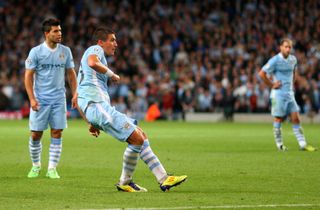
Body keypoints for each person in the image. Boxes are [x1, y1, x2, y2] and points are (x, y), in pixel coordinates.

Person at [77, 27, 187, 192]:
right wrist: (111, 74)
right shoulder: (95, 49)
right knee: (136, 139)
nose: (116, 43)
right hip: (98, 107)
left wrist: (91, 122)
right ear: (101, 42)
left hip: (97, 109)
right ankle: (130, 182)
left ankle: (163, 179)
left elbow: (78, 98)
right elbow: (93, 62)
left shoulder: (85, 73)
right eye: (112, 40)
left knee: (141, 135)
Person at [24, 18, 78, 178]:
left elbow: (71, 74)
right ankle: (36, 165)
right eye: (55, 31)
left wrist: (75, 93)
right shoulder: (36, 52)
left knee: (57, 132)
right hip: (40, 99)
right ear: (47, 33)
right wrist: (32, 99)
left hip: (58, 99)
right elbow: (28, 77)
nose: (59, 34)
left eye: (60, 31)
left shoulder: (65, 51)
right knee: (35, 134)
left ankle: (52, 168)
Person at [258, 38, 316, 151]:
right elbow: (261, 73)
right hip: (278, 94)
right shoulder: (275, 60)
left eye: (290, 47)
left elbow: (294, 72)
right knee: (278, 119)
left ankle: (303, 145)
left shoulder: (293, 59)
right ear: (281, 47)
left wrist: (291, 83)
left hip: (290, 94)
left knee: (296, 119)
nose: (288, 49)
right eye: (286, 47)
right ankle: (279, 145)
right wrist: (272, 84)